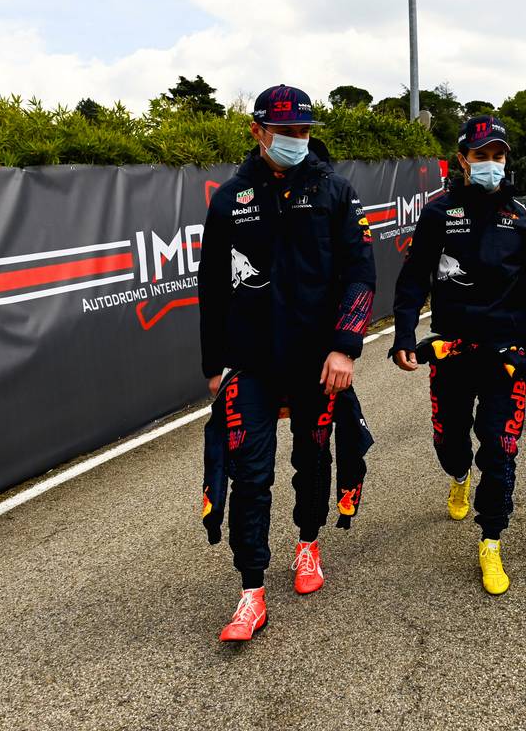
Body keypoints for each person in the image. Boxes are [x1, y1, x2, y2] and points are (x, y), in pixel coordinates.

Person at [198, 84, 376, 640]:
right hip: (251, 363)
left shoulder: (336, 191)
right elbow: (210, 289)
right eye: (284, 131)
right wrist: (213, 365)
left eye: (303, 129)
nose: (296, 139)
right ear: (258, 131)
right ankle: (251, 590)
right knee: (249, 474)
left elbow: (361, 274)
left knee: (312, 458)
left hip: (316, 361)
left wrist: (345, 345)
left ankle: (307, 544)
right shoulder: (229, 198)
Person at [390, 115, 526, 596]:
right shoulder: (439, 213)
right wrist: (401, 334)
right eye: (481, 156)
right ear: (462, 160)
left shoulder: (524, 219)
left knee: (499, 450)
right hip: (452, 353)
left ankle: (492, 541)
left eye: (498, 155)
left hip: (505, 357)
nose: (491, 164)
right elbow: (414, 277)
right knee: (451, 443)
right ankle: (458, 477)